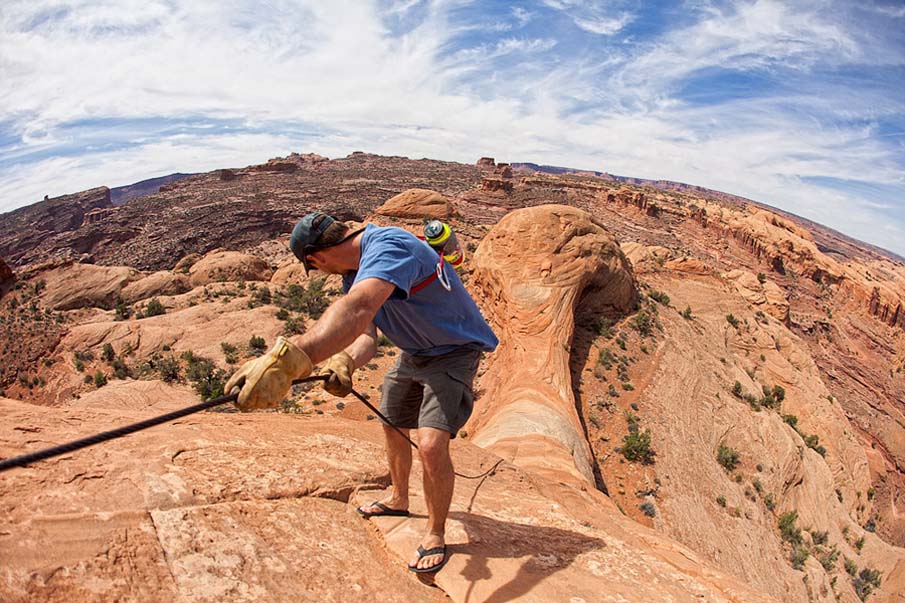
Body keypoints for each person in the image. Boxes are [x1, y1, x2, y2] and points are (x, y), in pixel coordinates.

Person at [225, 212, 498, 573]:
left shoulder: (389, 245)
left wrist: (290, 361)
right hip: (414, 352)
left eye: (316, 269)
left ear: (315, 258)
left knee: (431, 444)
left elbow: (358, 309)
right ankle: (400, 498)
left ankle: (435, 532)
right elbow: (366, 336)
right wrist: (346, 363)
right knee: (393, 421)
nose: (322, 273)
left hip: (453, 352)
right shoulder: (357, 273)